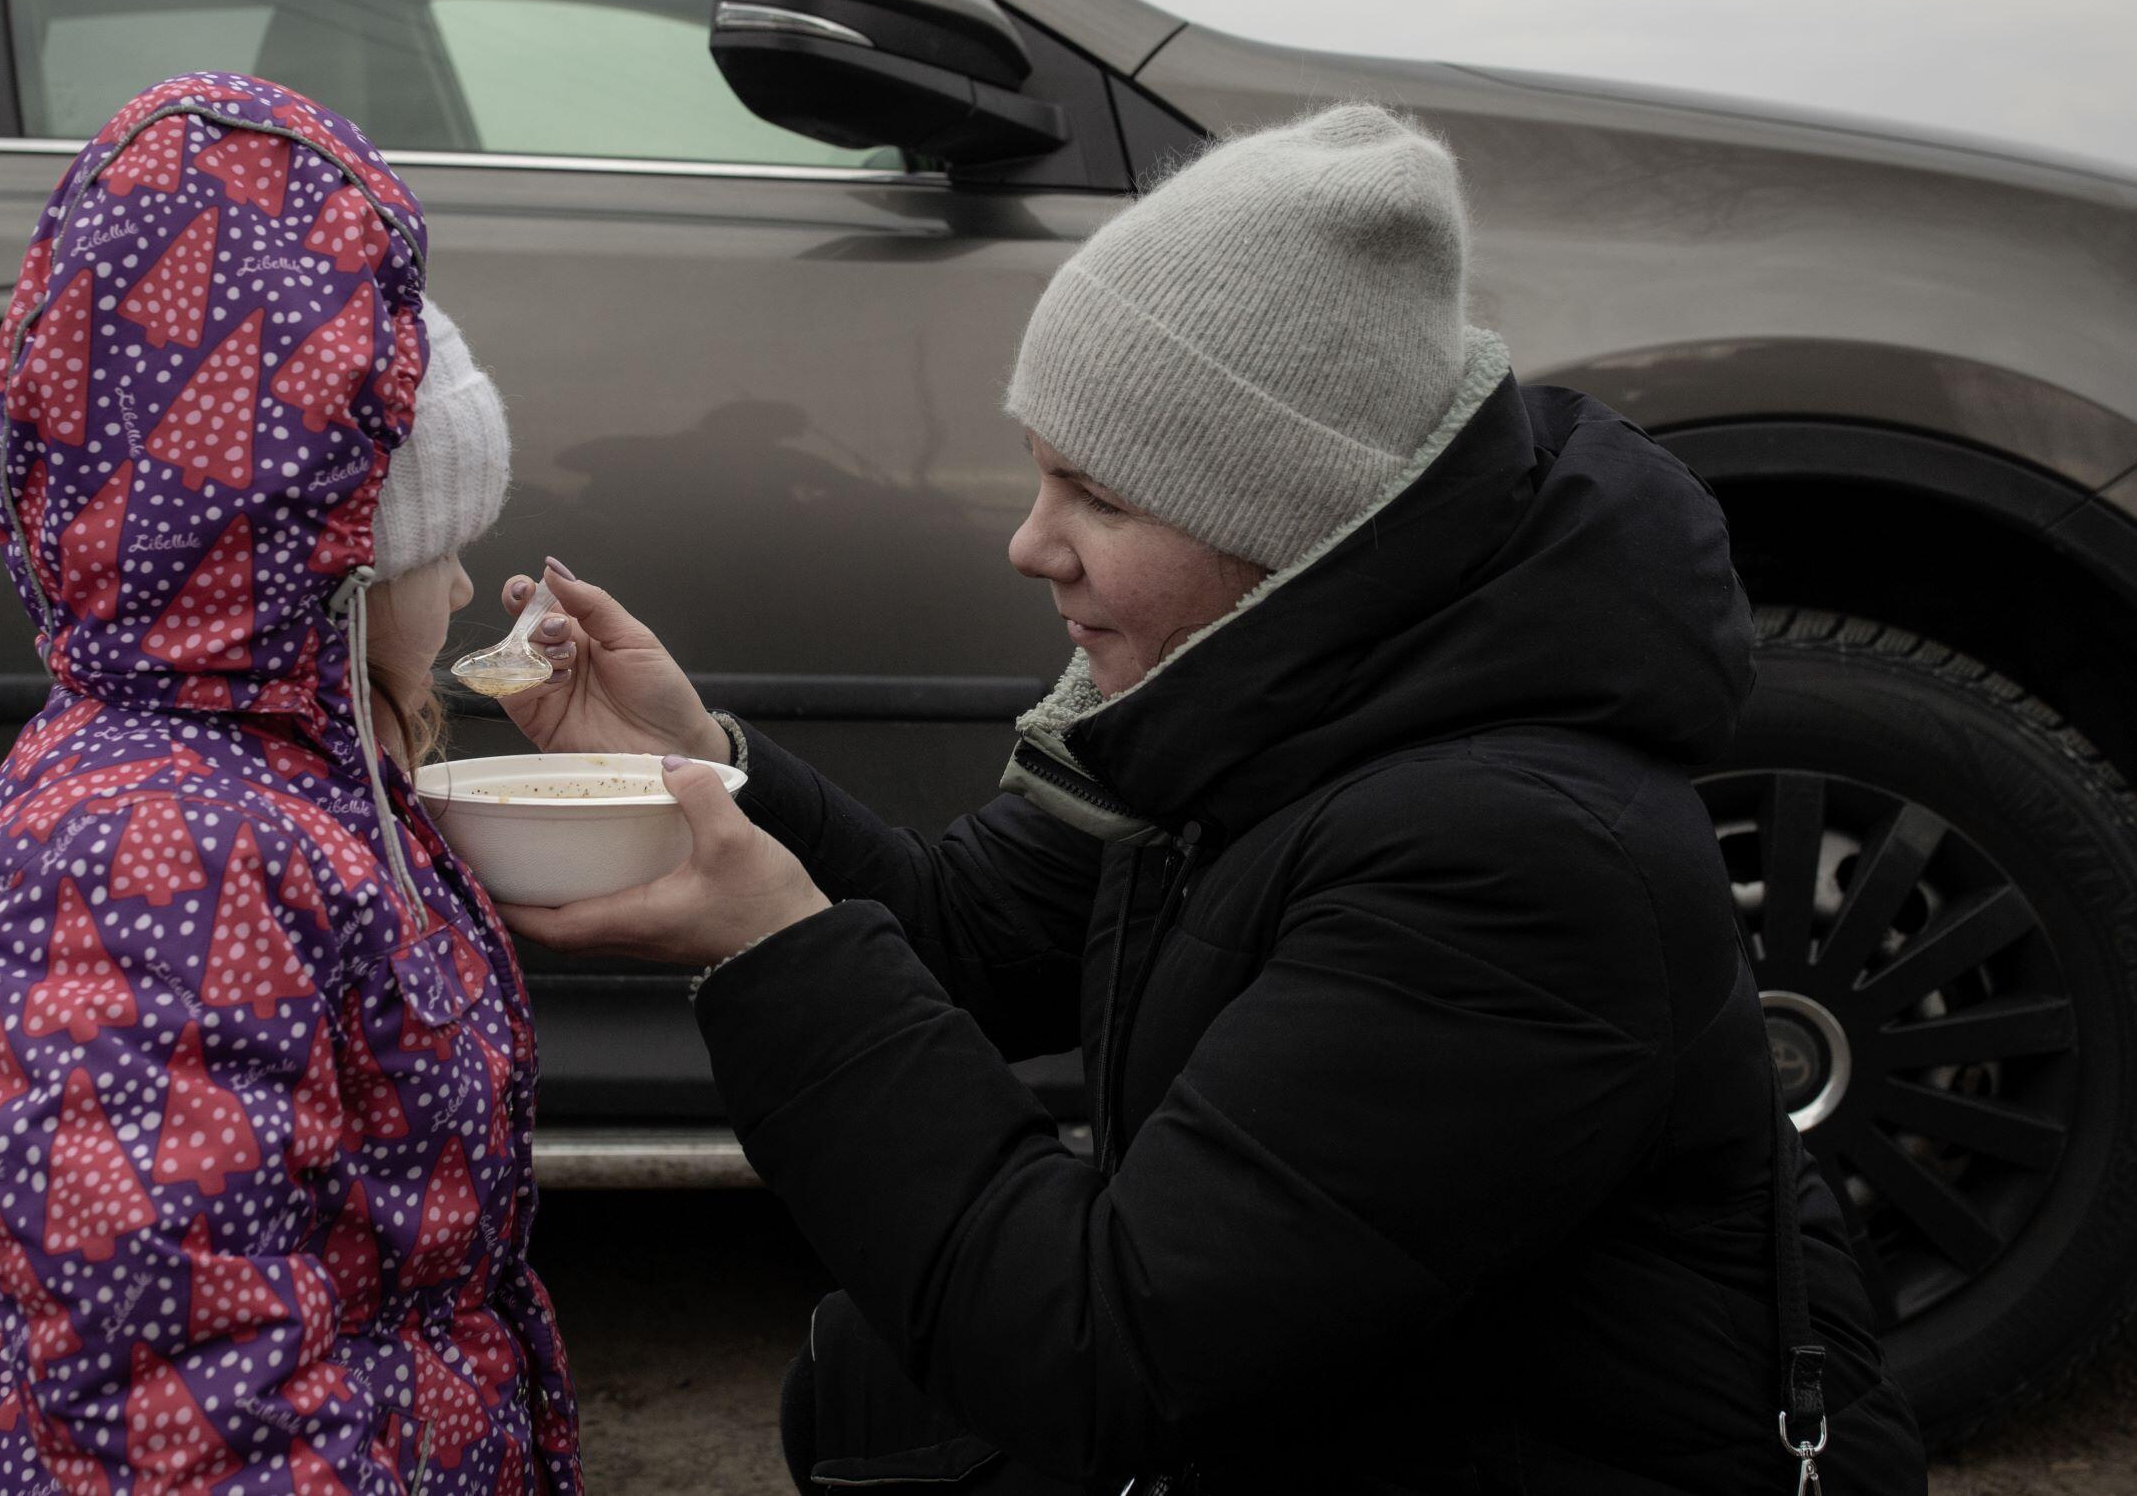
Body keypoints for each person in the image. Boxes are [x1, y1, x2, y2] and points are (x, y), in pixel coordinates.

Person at [491, 106, 1927, 1492]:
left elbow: (1100, 1350)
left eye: (1097, 499)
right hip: (1362, 1418)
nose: (1026, 542)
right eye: (1040, 475)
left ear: (1293, 523)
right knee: (868, 1382)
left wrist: (779, 953)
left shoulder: (1517, 865)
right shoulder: (1253, 705)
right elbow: (964, 936)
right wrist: (703, 766)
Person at [0, 73, 583, 1494]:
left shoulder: (278, 790)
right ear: (320, 561)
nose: (463, 583)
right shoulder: (150, 858)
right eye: (434, 549)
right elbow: (182, 1379)